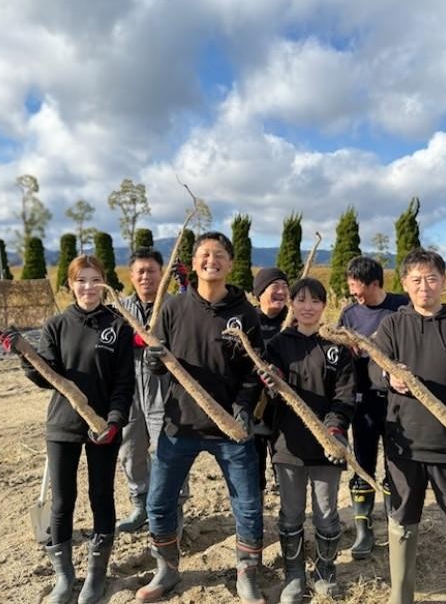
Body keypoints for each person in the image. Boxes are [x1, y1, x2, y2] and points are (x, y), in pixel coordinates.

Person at [135, 232, 267, 604]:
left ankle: (247, 574)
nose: (212, 260)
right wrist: (152, 362)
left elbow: (255, 368)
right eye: (205, 254)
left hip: (230, 428)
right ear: (193, 264)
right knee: (159, 501)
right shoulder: (174, 308)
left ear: (231, 263)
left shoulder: (245, 314)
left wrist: (243, 405)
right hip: (180, 425)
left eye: (220, 254)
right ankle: (167, 569)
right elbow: (158, 362)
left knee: (248, 504)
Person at [0, 255, 135, 604]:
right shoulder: (56, 325)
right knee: (62, 500)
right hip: (62, 424)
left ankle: (96, 574)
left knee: (101, 495)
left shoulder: (118, 326)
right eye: (80, 280)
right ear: (70, 285)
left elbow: (124, 383)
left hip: (102, 425)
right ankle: (64, 576)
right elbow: (47, 376)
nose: (88, 287)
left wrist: (114, 421)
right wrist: (24, 356)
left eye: (95, 279)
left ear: (105, 282)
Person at [369, 248, 446, 604]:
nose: (424, 286)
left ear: (444, 282)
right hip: (404, 445)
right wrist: (389, 377)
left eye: (431, 278)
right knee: (401, 518)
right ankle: (400, 596)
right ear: (405, 284)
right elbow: (374, 368)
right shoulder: (393, 325)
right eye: (416, 279)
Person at [259, 277, 355, 603]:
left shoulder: (337, 347)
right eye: (300, 300)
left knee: (326, 512)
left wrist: (335, 429)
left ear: (324, 305)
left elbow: (344, 396)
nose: (308, 307)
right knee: (291, 512)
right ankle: (294, 574)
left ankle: (325, 572)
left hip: (328, 445)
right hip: (288, 445)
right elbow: (269, 396)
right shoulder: (277, 345)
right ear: (291, 304)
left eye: (315, 301)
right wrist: (272, 383)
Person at [114, 248, 189, 534]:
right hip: (130, 389)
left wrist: (186, 288)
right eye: (140, 271)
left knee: (169, 451)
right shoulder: (119, 308)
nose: (146, 276)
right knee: (130, 450)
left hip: (165, 389)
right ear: (131, 276)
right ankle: (140, 503)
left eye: (152, 271)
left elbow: (192, 328)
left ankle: (174, 507)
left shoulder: (175, 306)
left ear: (162, 274)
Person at [337, 256, 408, 558]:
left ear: (375, 283)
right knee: (363, 462)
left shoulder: (401, 307)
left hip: (398, 401)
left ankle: (396, 525)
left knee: (397, 463)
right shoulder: (349, 314)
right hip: (364, 401)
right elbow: (337, 354)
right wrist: (347, 349)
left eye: (358, 287)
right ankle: (363, 531)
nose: (354, 293)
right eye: (351, 286)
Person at [251, 267, 291, 492]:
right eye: (275, 286)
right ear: (260, 292)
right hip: (254, 407)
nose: (281, 292)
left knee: (286, 470)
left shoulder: (293, 321)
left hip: (285, 408)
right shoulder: (248, 320)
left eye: (285, 287)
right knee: (253, 470)